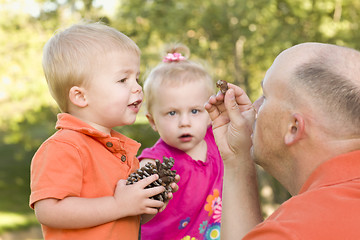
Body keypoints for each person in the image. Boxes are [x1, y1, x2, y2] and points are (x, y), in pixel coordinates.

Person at [29, 22, 176, 240]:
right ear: (80, 96)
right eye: (123, 79)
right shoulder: (64, 147)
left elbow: (125, 216)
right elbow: (49, 210)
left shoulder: (118, 150)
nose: (137, 87)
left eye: (136, 78)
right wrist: (119, 204)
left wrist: (146, 200)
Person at [205, 42, 360, 239]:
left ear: (293, 127)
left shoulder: (291, 232)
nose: (254, 108)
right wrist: (237, 158)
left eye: (265, 96)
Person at [138, 44, 224, 240]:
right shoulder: (157, 161)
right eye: (172, 113)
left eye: (195, 111)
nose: (184, 122)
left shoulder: (217, 140)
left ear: (210, 113)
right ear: (153, 121)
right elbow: (137, 196)